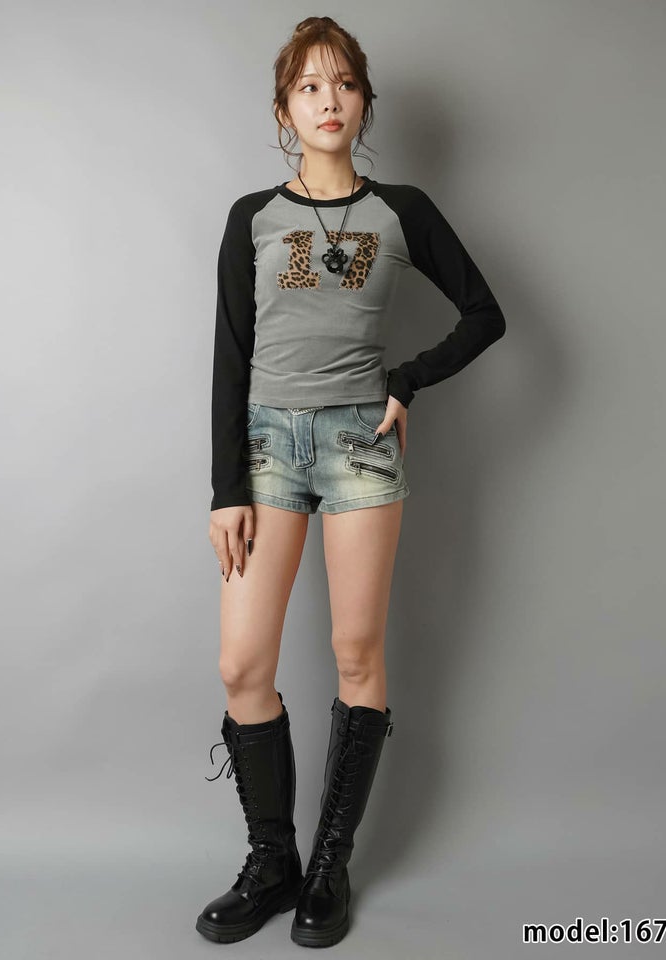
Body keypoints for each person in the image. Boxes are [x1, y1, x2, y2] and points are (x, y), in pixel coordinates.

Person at [196, 15, 506, 949]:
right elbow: (231, 356)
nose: (328, 101)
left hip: (360, 445)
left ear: (364, 101)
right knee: (242, 665)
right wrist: (225, 488)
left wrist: (406, 380)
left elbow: (485, 314)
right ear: (283, 110)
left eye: (344, 84)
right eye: (309, 87)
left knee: (357, 652)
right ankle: (273, 861)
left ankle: (328, 868)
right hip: (266, 447)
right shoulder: (252, 217)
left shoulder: (400, 210)